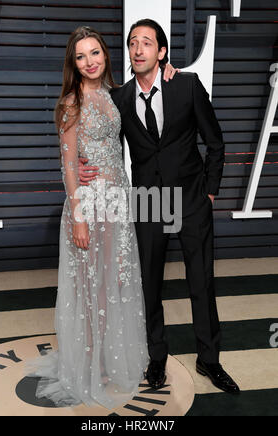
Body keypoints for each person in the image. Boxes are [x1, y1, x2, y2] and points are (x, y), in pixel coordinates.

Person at [79, 19, 240, 395]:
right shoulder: (119, 99)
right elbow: (107, 143)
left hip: (191, 197)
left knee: (201, 280)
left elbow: (215, 142)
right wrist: (84, 168)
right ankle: (156, 357)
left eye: (147, 43)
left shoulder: (185, 85)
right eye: (132, 43)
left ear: (162, 52)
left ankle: (209, 359)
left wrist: (210, 192)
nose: (137, 49)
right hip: (149, 200)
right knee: (149, 282)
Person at [24, 26, 156, 410]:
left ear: (105, 55)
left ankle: (108, 357)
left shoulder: (113, 96)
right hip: (89, 204)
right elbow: (68, 165)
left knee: (112, 280)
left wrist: (169, 70)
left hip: (117, 202)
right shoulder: (71, 102)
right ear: (74, 63)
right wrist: (79, 215)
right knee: (89, 285)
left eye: (94, 53)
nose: (89, 61)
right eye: (81, 56)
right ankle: (89, 362)